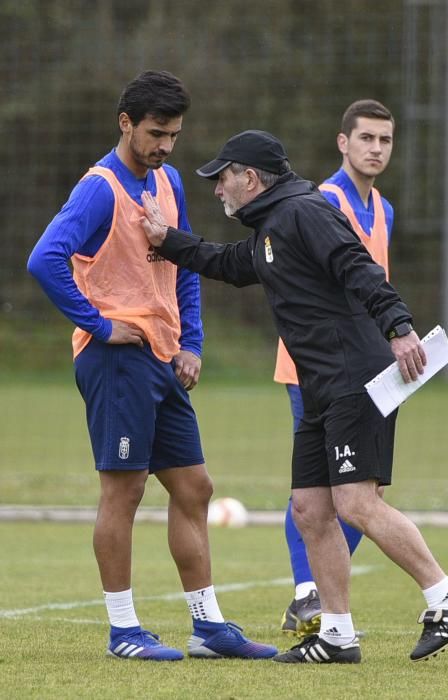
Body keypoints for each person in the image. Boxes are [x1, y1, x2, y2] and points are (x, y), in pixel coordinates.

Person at [140, 129, 448, 665]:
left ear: (250, 179)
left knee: (355, 502)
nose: (217, 189)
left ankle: (447, 597)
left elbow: (355, 263)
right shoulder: (272, 226)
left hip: (354, 379)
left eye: (222, 178)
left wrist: (398, 325)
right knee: (310, 508)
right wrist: (168, 239)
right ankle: (338, 634)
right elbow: (229, 263)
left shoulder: (303, 211)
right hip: (320, 385)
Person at [27, 72, 277, 662]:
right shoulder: (99, 189)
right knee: (125, 490)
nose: (166, 146)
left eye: (174, 135)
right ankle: (123, 630)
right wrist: (96, 322)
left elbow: (183, 263)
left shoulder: (167, 182)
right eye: (156, 133)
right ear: (125, 124)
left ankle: (207, 626)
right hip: (117, 359)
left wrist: (191, 341)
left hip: (162, 358)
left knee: (194, 487)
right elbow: (45, 259)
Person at [274, 99, 395, 638]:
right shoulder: (322, 202)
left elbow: (374, 284)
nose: (375, 148)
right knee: (319, 490)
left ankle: (319, 598)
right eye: (365, 138)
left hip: (367, 365)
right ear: (342, 142)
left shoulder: (383, 209)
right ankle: (309, 594)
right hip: (317, 366)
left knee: (364, 493)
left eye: (384, 140)